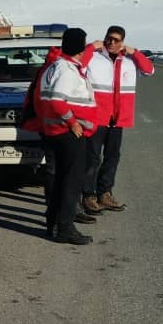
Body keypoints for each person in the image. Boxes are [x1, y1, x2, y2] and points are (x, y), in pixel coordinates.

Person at [81, 25, 155, 214]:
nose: (111, 43)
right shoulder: (95, 56)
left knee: (113, 157)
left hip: (118, 118)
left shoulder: (130, 60)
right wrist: (91, 47)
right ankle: (88, 195)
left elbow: (149, 70)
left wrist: (135, 52)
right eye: (109, 39)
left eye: (116, 40)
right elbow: (79, 65)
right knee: (93, 158)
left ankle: (105, 193)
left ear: (123, 42)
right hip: (96, 117)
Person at [37, 28, 98, 245]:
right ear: (79, 48)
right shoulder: (65, 70)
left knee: (62, 181)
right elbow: (56, 100)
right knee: (70, 183)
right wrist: (72, 123)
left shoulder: (57, 65)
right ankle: (65, 228)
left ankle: (53, 223)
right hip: (68, 134)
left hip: (55, 133)